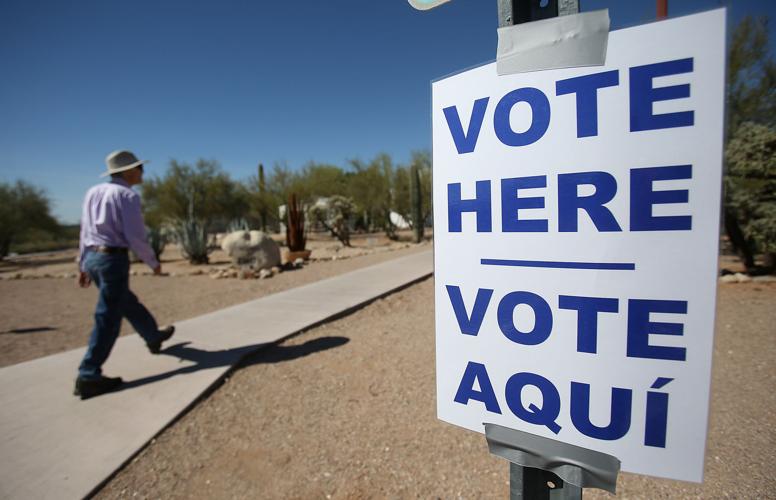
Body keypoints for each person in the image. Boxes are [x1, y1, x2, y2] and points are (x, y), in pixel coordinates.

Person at [74, 150, 175, 399]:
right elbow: (135, 236)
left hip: (95, 259)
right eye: (140, 168)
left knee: (125, 301)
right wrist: (153, 262)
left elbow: (85, 231)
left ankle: (152, 335)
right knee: (108, 315)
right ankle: (89, 374)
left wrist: (82, 263)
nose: (143, 172)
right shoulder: (127, 196)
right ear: (130, 171)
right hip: (112, 259)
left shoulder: (93, 193)